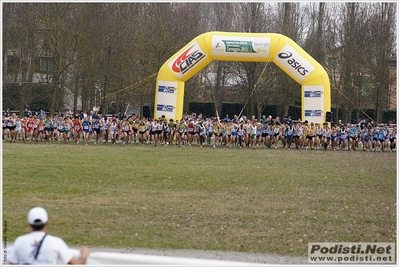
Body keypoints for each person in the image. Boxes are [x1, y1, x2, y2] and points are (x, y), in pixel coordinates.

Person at [8, 207, 90, 265]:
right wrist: (84, 254)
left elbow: (10, 263)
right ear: (47, 222)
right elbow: (76, 264)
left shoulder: (20, 241)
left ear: (29, 224)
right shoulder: (56, 242)